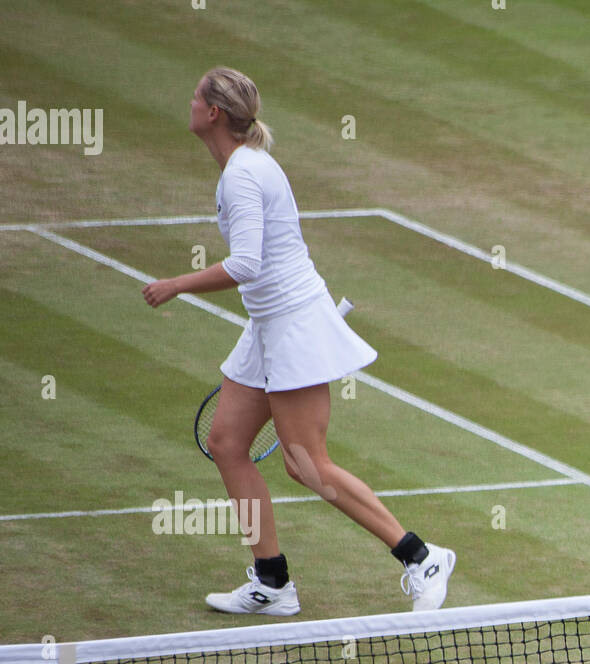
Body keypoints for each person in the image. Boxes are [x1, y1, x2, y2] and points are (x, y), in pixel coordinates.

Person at [142, 67, 454, 615]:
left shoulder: (242, 174)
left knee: (307, 464)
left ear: (214, 113)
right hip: (268, 325)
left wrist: (176, 285)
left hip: (293, 325)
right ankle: (273, 581)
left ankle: (421, 558)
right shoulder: (243, 167)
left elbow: (246, 263)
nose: (188, 103)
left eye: (195, 96)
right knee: (227, 443)